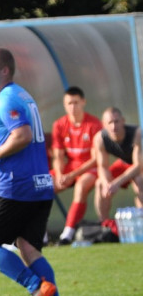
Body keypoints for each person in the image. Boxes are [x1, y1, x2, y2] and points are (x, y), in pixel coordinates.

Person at [0, 47, 67, 296]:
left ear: (4, 70)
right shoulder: (22, 95)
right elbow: (19, 136)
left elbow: (23, 135)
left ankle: (36, 288)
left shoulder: (7, 98)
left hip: (19, 186)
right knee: (28, 247)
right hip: (40, 184)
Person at [50, 86, 102, 244]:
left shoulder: (94, 124)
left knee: (81, 187)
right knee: (41, 185)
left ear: (83, 102)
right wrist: (59, 175)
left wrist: (71, 175)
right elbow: (58, 155)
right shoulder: (59, 124)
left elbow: (96, 159)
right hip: (69, 168)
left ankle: (67, 233)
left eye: (76, 103)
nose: (72, 107)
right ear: (64, 105)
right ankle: (39, 234)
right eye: (69, 103)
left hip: (89, 168)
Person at [92, 106, 143, 230]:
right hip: (124, 164)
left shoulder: (137, 133)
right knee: (100, 184)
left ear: (123, 121)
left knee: (140, 181)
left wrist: (116, 183)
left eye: (116, 121)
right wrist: (107, 184)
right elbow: (102, 166)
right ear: (104, 124)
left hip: (138, 165)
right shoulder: (100, 138)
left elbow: (138, 166)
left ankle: (141, 222)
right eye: (110, 123)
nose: (114, 126)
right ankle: (104, 225)